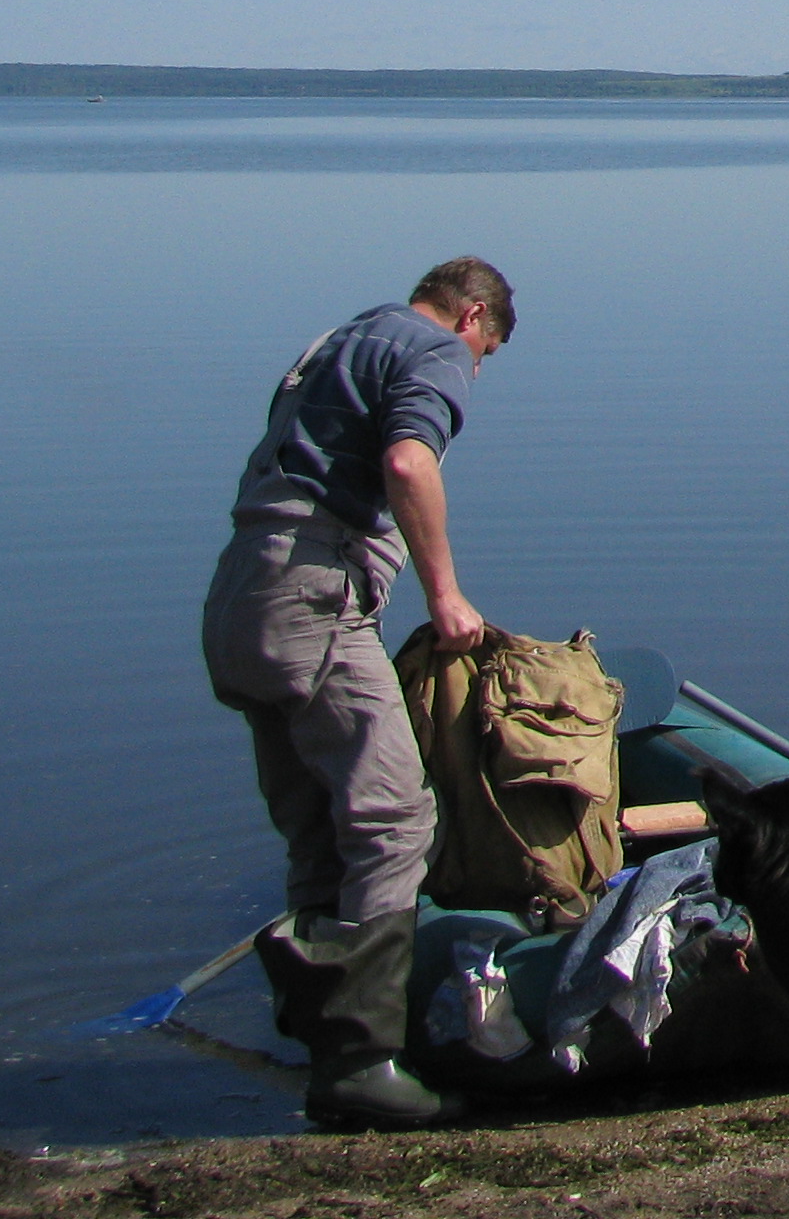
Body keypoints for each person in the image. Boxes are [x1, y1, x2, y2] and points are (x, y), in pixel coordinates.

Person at [199, 257, 512, 1125]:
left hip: (240, 594)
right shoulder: (434, 349)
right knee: (393, 818)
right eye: (486, 352)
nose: (476, 371)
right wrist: (445, 597)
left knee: (318, 825)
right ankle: (366, 1064)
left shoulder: (339, 340)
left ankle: (317, 1035)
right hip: (313, 595)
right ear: (472, 316)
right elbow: (410, 464)